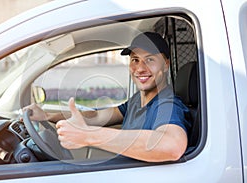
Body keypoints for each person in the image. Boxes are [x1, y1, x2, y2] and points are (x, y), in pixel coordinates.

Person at [23, 32, 191, 162]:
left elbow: (172, 145)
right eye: (135, 60)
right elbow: (98, 115)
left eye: (150, 59)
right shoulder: (136, 101)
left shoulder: (168, 104)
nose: (140, 68)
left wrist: (88, 136)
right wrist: (47, 116)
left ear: (166, 64)